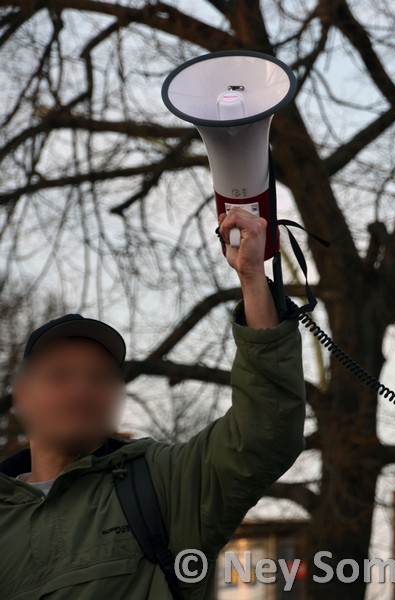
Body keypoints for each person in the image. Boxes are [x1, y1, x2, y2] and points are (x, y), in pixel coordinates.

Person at [0, 208, 306, 599]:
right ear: (22, 394)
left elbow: (264, 433)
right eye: (60, 375)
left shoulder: (161, 483)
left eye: (99, 378)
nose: (81, 391)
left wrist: (251, 279)